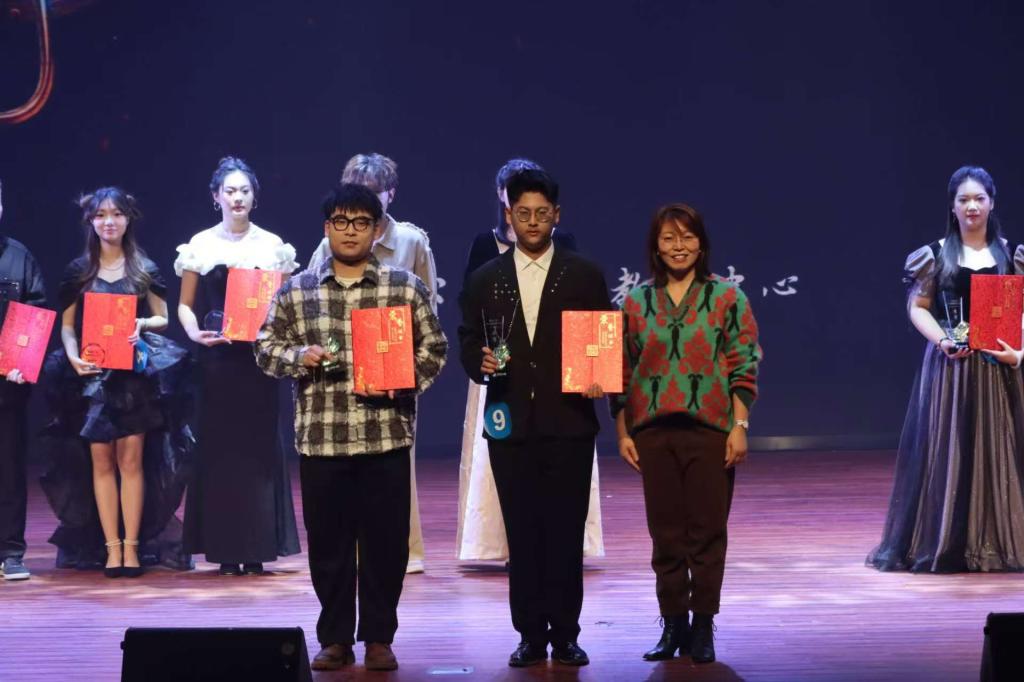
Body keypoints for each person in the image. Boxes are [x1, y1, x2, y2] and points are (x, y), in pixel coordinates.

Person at [255, 184, 447, 672]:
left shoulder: (403, 286)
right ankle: (336, 638)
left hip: (385, 436)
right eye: (340, 222)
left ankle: (379, 637)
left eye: (361, 223)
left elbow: (435, 349)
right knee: (329, 546)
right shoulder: (298, 289)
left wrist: (402, 381)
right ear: (327, 228)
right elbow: (264, 347)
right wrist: (300, 356)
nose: (350, 231)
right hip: (323, 440)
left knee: (386, 545)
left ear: (376, 230)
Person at [458, 169, 611, 667]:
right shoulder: (486, 278)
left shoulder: (583, 273)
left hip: (569, 422)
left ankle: (565, 634)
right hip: (510, 422)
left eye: (541, 213)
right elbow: (468, 339)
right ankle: (529, 634)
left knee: (565, 534)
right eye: (522, 213)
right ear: (508, 215)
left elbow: (603, 338)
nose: (531, 222)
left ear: (556, 216)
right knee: (522, 535)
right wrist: (478, 361)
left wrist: (600, 377)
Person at [614, 203, 761, 664]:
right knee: (666, 534)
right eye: (668, 238)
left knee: (707, 532)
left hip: (711, 431)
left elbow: (743, 363)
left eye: (687, 237)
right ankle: (673, 623)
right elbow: (621, 372)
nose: (678, 247)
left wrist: (739, 425)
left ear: (701, 243)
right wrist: (623, 432)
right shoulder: (636, 302)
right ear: (655, 247)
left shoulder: (727, 297)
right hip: (653, 432)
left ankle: (702, 626)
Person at [868, 165, 1024, 573]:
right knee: (950, 451)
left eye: (979, 198)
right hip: (951, 371)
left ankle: (995, 542)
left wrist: (1019, 352)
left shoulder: (1010, 254)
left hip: (998, 370)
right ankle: (946, 542)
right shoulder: (936, 254)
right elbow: (918, 307)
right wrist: (942, 341)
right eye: (963, 199)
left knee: (998, 451)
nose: (972, 206)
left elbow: (1020, 311)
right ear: (952, 206)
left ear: (992, 203)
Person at [40, 187, 192, 576]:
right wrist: (72, 356)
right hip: (92, 379)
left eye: (117, 214)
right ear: (90, 221)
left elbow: (163, 318)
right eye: (101, 215)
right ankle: (111, 548)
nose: (109, 221)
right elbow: (68, 326)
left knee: (131, 461)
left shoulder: (144, 268)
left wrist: (141, 323)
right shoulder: (79, 271)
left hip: (132, 380)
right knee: (101, 462)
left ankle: (132, 547)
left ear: (129, 219)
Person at [307, 153, 437, 574]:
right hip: (340, 370)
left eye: (374, 194)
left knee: (397, 466)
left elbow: (427, 304)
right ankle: (352, 552)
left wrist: (407, 366)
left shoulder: (410, 241)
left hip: (391, 368)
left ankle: (405, 550)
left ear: (390, 195)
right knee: (341, 471)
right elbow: (311, 302)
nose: (364, 202)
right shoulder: (328, 242)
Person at [176, 156, 300, 576]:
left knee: (258, 451)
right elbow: (185, 305)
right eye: (229, 190)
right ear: (216, 197)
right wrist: (194, 333)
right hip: (217, 362)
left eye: (244, 190)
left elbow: (284, 306)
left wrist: (274, 335)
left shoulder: (272, 245)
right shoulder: (201, 244)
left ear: (254, 197)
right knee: (220, 452)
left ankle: (258, 547)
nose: (237, 197)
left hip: (258, 363)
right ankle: (225, 550)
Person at [0, 178, 47, 581]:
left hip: (7, 384)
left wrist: (22, 362)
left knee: (9, 469)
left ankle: (11, 552)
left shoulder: (19, 257)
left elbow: (35, 311)